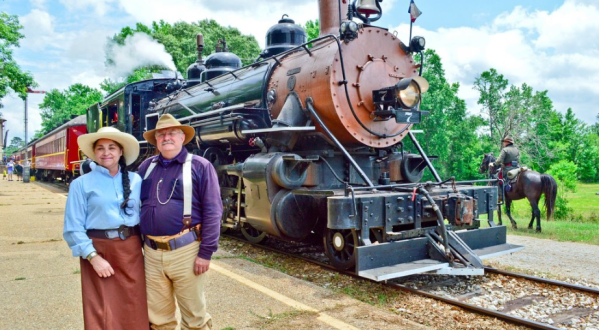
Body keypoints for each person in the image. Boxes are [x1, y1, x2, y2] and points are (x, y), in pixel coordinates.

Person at [138, 114, 222, 330]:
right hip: (152, 253)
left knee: (194, 318)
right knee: (158, 318)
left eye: (172, 133)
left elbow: (213, 211)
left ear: (182, 137)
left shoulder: (200, 166)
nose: (166, 137)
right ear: (156, 139)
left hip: (186, 251)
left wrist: (205, 253)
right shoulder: (146, 167)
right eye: (161, 134)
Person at [63, 127, 149, 329]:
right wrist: (92, 257)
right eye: (100, 148)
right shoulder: (80, 184)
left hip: (131, 250)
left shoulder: (136, 181)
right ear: (94, 153)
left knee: (134, 304)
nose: (106, 152)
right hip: (99, 249)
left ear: (121, 152)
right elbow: (73, 226)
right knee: (101, 309)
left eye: (112, 147)